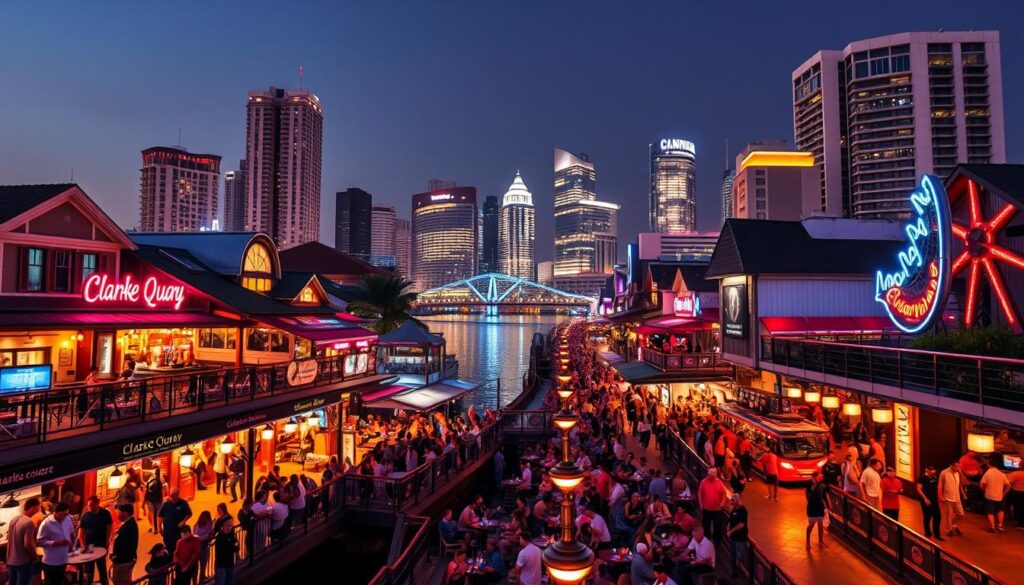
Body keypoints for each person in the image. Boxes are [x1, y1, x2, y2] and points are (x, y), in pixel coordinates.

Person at [37, 502, 76, 585]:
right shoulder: (46, 524)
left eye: (66, 514)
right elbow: (40, 541)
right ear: (55, 512)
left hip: (64, 559)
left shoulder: (68, 519)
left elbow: (72, 533)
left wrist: (72, 545)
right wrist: (57, 543)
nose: (65, 516)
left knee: (61, 582)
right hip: (51, 562)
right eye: (63, 514)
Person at [5, 497, 40, 585]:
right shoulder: (29, 522)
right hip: (23, 562)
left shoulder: (14, 519)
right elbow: (28, 544)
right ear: (33, 507)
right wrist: (35, 557)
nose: (38, 510)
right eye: (38, 508)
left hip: (11, 561)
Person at [79, 495, 113, 585]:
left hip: (101, 544)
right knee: (88, 567)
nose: (90, 507)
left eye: (92, 505)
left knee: (101, 565)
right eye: (88, 506)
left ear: (97, 504)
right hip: (88, 544)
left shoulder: (105, 513)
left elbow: (109, 527)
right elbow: (81, 530)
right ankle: (88, 583)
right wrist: (82, 544)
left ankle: (104, 583)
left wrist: (108, 540)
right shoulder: (85, 515)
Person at [697, 467, 727, 545]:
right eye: (709, 474)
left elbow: (724, 494)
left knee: (717, 527)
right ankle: (707, 542)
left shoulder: (719, 483)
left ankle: (717, 543)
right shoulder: (703, 482)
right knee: (706, 526)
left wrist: (722, 504)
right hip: (706, 509)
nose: (709, 476)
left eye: (711, 474)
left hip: (717, 510)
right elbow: (700, 493)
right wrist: (701, 504)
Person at [110, 504, 139, 585]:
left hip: (124, 561)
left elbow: (128, 546)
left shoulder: (129, 526)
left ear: (125, 513)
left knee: (121, 582)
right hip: (124, 560)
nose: (118, 514)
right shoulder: (128, 524)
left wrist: (117, 556)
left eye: (120, 512)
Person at [157, 488, 193, 553]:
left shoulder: (183, 503)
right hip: (168, 531)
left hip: (179, 531)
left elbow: (189, 514)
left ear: (177, 495)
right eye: (171, 495)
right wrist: (159, 527)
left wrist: (183, 521)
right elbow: (160, 516)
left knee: (179, 548)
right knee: (169, 548)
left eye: (174, 495)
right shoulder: (166, 504)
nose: (172, 497)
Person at [979, 461, 1011, 532]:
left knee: (990, 511)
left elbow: (981, 484)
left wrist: (984, 489)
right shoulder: (1001, 474)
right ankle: (1000, 525)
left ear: (988, 464)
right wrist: (1004, 493)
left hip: (989, 495)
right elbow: (1008, 485)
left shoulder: (988, 473)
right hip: (999, 495)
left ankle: (992, 527)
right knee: (1000, 510)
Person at [939, 460, 966, 537]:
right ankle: (949, 530)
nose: (959, 468)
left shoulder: (958, 473)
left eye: (959, 466)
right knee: (948, 515)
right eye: (957, 466)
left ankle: (954, 525)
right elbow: (940, 484)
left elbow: (961, 483)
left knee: (961, 513)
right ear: (952, 466)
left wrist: (963, 494)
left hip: (957, 497)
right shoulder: (944, 473)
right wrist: (940, 496)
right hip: (948, 498)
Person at [805, 471, 829, 550]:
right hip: (812, 507)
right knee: (811, 525)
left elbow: (824, 495)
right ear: (814, 477)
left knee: (820, 525)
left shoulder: (822, 485)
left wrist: (827, 504)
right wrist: (810, 500)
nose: (820, 478)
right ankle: (807, 541)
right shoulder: (809, 483)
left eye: (821, 477)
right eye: (819, 476)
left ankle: (821, 541)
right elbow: (807, 494)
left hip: (819, 507)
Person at [725, 493, 748, 574]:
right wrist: (728, 526)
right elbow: (731, 520)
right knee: (734, 555)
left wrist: (731, 531)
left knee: (739, 556)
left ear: (737, 501)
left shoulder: (743, 510)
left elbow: (741, 524)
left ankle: (738, 572)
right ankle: (734, 569)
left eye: (733, 502)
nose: (731, 503)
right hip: (734, 538)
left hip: (740, 538)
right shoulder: (734, 509)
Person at [213, 516, 239, 585]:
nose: (229, 527)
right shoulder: (220, 537)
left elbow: (236, 545)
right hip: (221, 566)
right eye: (227, 525)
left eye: (230, 524)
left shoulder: (232, 535)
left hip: (230, 564)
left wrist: (236, 552)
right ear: (222, 527)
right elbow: (225, 550)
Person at [145, 468, 166, 533]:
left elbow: (147, 489)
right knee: (159, 514)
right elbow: (164, 488)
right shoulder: (161, 478)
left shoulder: (150, 478)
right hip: (159, 498)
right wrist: (164, 497)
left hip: (150, 499)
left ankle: (154, 528)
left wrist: (145, 500)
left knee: (151, 513)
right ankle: (159, 528)